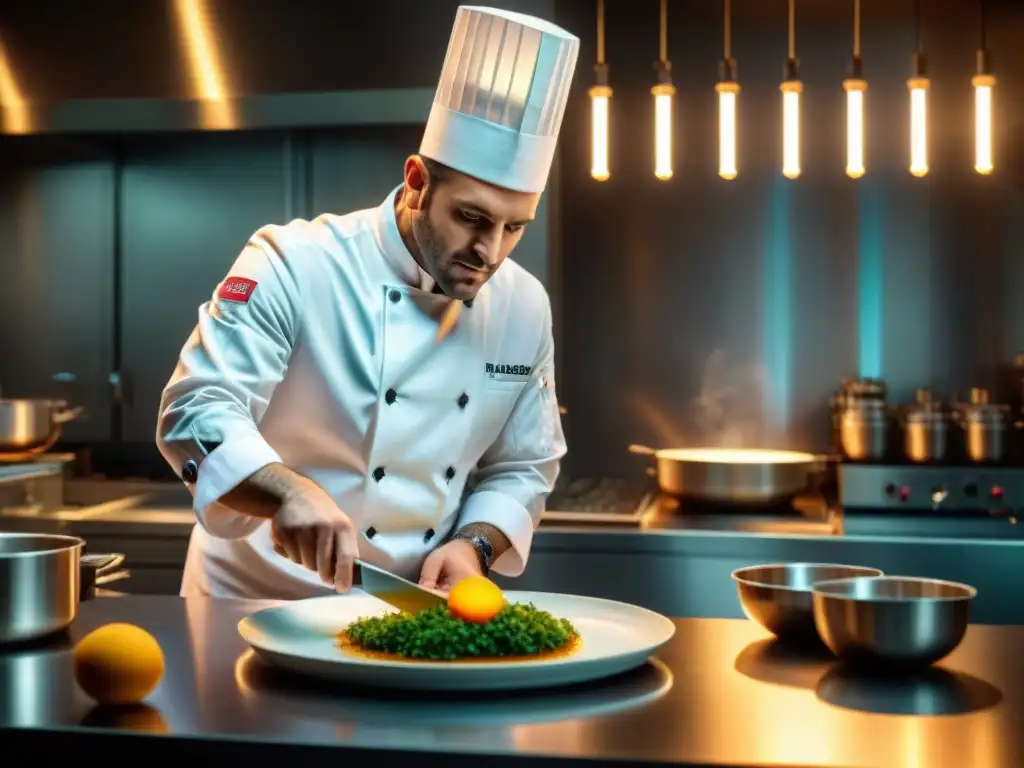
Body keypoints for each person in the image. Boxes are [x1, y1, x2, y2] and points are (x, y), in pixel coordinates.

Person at [155, 6, 580, 599]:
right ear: (416, 182)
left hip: (406, 613)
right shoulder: (292, 262)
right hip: (252, 606)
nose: (490, 252)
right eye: (472, 218)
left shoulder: (525, 306)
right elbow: (195, 410)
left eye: (515, 228)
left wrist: (475, 544)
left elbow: (524, 466)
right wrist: (286, 490)